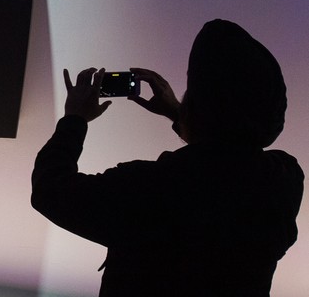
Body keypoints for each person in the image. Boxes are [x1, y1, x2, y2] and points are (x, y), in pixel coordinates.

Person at [31, 19, 303, 296]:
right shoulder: (285, 179)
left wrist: (74, 119)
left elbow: (50, 189)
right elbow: (227, 154)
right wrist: (178, 112)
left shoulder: (149, 188)